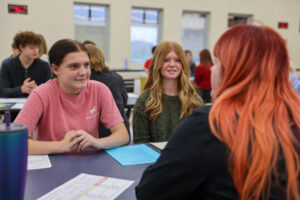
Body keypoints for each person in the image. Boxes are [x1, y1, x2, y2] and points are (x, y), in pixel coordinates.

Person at [136, 25, 300, 199]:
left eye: (217, 62)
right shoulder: (292, 120)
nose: (212, 69)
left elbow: (149, 193)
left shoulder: (210, 124)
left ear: (235, 71)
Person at [15, 39, 129, 155]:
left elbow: (123, 135)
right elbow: (15, 143)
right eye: (74, 66)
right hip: (52, 166)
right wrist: (61, 146)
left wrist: (98, 142)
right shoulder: (41, 95)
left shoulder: (100, 90)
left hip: (90, 165)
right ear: (56, 69)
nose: (83, 72)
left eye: (86, 65)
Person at [133, 41, 203, 144]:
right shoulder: (144, 102)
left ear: (183, 64)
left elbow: (201, 142)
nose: (172, 64)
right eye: (166, 60)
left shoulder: (195, 101)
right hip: (154, 160)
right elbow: (141, 147)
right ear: (157, 64)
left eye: (177, 60)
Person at [85, 43, 130, 138]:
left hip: (96, 132)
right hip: (121, 130)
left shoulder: (83, 79)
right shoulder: (116, 77)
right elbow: (124, 101)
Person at [0, 31, 52, 98]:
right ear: (21, 47)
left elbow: (51, 90)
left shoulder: (44, 66)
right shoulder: (7, 66)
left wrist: (38, 89)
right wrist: (21, 89)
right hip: (14, 106)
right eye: (31, 48)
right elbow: (3, 92)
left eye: (37, 47)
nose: (36, 51)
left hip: (38, 104)